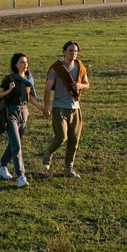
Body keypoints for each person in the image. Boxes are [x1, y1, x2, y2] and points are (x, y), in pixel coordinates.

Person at [0, 52, 44, 188]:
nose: (25, 64)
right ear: (16, 64)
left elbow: (30, 98)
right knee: (17, 144)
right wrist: (9, 90)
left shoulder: (28, 79)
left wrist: (42, 109)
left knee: (14, 143)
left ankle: (3, 166)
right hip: (10, 112)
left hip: (24, 112)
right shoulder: (9, 78)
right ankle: (21, 176)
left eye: (26, 62)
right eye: (22, 62)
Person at [42, 40, 89, 178]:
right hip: (59, 106)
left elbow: (87, 84)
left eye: (75, 51)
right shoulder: (57, 68)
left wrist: (81, 86)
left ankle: (68, 169)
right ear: (64, 52)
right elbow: (48, 87)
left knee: (74, 140)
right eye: (70, 50)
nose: (73, 53)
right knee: (61, 137)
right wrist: (46, 106)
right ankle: (48, 153)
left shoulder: (80, 66)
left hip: (75, 107)